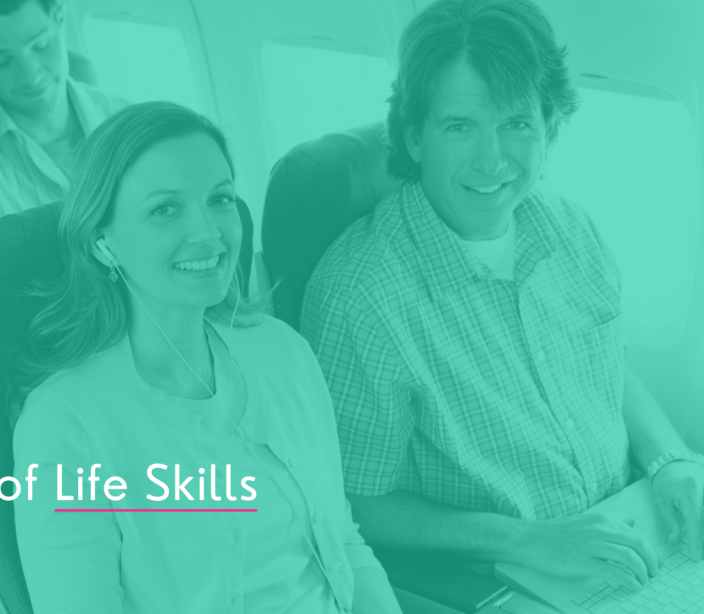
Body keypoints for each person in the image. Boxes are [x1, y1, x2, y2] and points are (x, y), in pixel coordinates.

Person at [301, 0, 704, 593]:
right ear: (414, 136)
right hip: (517, 579)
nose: (492, 160)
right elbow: (355, 499)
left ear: (551, 127)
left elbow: (607, 366)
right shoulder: (361, 295)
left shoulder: (571, 229)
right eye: (460, 126)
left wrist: (672, 460)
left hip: (637, 528)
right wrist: (529, 540)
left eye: (515, 123)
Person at [11, 102, 402, 613]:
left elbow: (344, 543)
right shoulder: (65, 424)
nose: (209, 232)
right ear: (101, 242)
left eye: (219, 199)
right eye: (165, 209)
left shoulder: (282, 351)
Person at [0, 0, 127, 247]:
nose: (31, 76)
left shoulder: (126, 117)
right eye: (2, 61)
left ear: (61, 20)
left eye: (41, 46)